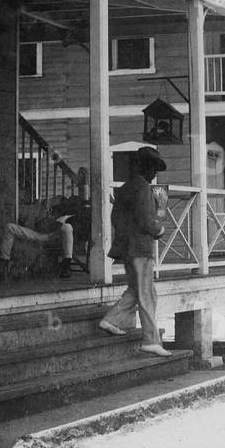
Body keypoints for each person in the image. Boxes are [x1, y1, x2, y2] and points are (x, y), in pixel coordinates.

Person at [99, 147, 170, 356]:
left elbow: (114, 219)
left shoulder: (124, 189)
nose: (154, 174)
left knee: (136, 289)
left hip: (126, 247)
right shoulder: (144, 189)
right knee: (147, 294)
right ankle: (150, 340)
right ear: (146, 167)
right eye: (153, 168)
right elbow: (146, 221)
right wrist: (159, 229)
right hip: (141, 248)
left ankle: (110, 320)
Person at [0, 196, 83, 280]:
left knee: (67, 227)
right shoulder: (44, 207)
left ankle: (66, 266)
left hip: (53, 235)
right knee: (9, 227)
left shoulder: (70, 217)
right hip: (36, 233)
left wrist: (56, 221)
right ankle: (3, 265)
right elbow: (33, 222)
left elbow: (68, 228)